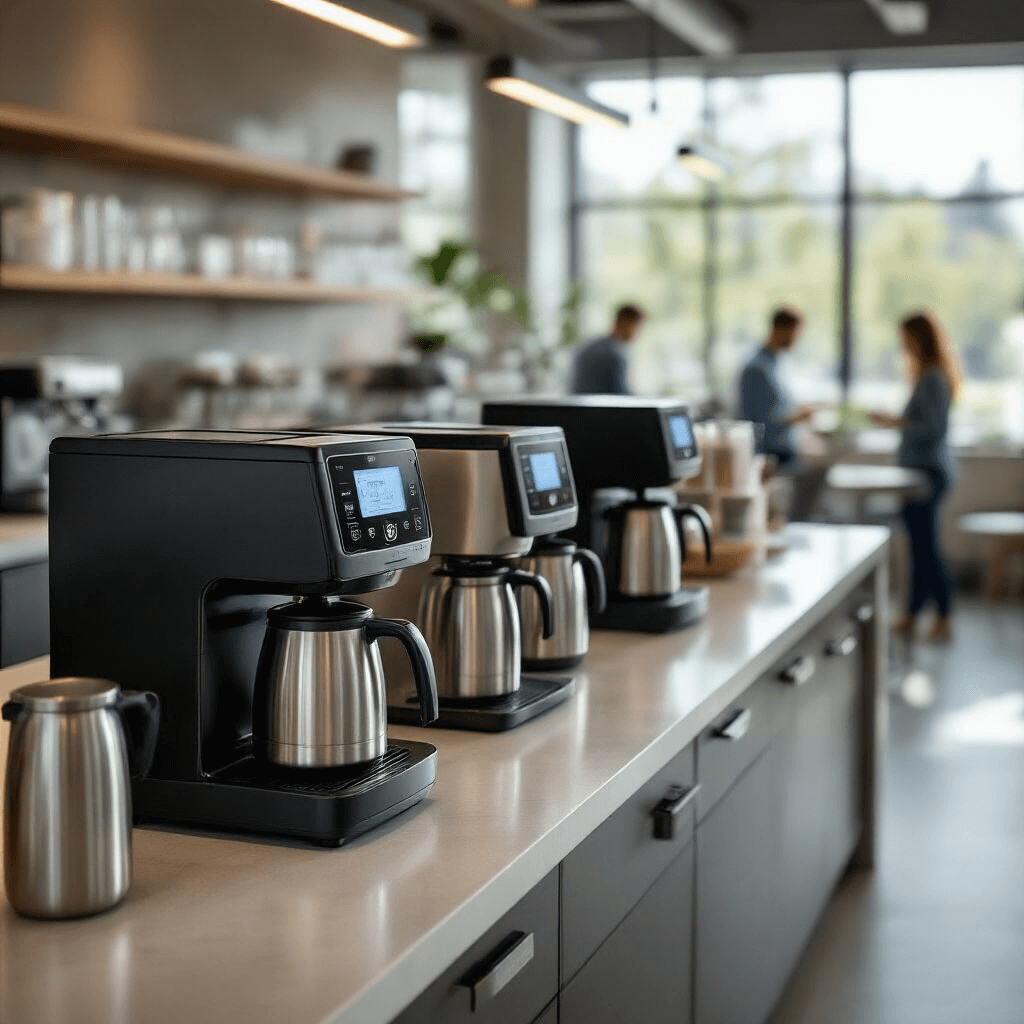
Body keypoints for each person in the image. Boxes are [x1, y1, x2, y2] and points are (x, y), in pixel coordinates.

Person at [870, 311, 959, 642]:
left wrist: (896, 423)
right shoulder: (924, 376)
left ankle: (945, 617)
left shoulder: (934, 377)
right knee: (920, 548)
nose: (901, 344)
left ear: (918, 338)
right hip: (917, 473)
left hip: (928, 474)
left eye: (905, 337)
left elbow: (934, 428)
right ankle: (912, 614)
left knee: (928, 548)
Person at [738, 307, 821, 467]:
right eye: (796, 333)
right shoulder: (756, 369)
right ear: (781, 329)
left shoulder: (777, 363)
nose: (798, 339)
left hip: (785, 452)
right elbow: (759, 421)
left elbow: (780, 406)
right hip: (769, 457)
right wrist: (798, 416)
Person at [571, 304, 645, 395]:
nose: (639, 335)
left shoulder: (588, 346)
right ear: (627, 324)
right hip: (602, 407)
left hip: (578, 406)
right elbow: (622, 394)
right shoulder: (615, 354)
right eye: (638, 328)